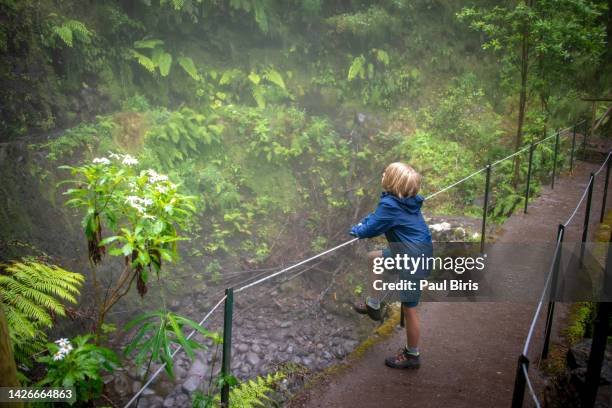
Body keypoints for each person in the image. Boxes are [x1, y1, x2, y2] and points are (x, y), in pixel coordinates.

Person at [350, 162, 433, 369]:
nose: (383, 173)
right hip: (412, 252)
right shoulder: (404, 201)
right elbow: (377, 218)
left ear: (392, 181)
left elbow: (371, 229)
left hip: (412, 260)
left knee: (409, 308)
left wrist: (357, 230)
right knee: (374, 258)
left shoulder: (392, 205)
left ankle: (412, 355)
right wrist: (365, 223)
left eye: (386, 172)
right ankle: (374, 304)